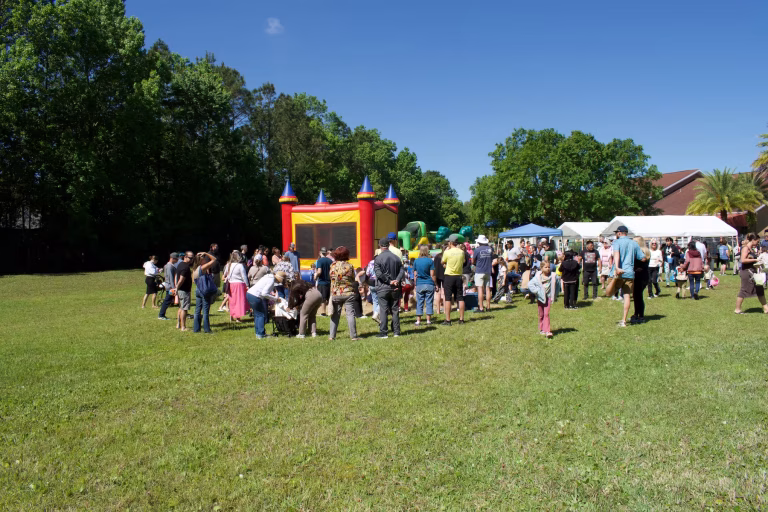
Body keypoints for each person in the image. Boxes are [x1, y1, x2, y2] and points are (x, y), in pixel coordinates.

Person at [608, 226, 646, 328]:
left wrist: (617, 267)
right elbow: (643, 258)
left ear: (620, 233)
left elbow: (616, 254)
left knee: (609, 292)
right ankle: (624, 320)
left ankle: (623, 319)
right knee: (627, 295)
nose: (616, 234)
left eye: (617, 232)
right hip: (629, 273)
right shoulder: (634, 243)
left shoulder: (617, 242)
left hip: (619, 272)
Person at [374, 238, 405, 337]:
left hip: (383, 287)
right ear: (388, 245)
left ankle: (384, 332)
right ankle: (396, 332)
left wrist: (389, 281)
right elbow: (402, 270)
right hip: (395, 287)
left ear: (380, 246)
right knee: (395, 310)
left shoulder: (378, 258)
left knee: (383, 310)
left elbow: (378, 274)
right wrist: (397, 280)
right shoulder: (396, 257)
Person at [328, 246, 360, 341]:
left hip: (335, 293)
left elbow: (331, 278)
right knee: (350, 314)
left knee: (335, 315)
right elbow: (353, 279)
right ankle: (353, 336)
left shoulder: (332, 265)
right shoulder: (349, 266)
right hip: (348, 293)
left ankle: (331, 336)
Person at [246, 270, 286, 338]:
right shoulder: (271, 280)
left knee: (257, 315)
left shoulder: (268, 277)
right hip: (255, 296)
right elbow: (264, 293)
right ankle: (261, 334)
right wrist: (275, 299)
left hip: (249, 294)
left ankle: (258, 333)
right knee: (261, 315)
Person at [735, 234, 768, 314]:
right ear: (753, 240)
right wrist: (755, 260)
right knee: (743, 290)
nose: (758, 243)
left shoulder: (752, 249)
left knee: (760, 289)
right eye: (757, 241)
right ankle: (737, 309)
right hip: (746, 272)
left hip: (753, 272)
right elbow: (743, 260)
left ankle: (766, 309)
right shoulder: (745, 248)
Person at [527, 262, 560, 339]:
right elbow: (530, 284)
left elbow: (558, 285)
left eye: (549, 267)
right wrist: (537, 291)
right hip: (540, 298)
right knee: (541, 314)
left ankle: (547, 331)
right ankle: (541, 329)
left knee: (546, 314)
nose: (548, 268)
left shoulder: (553, 276)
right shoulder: (538, 277)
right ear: (541, 268)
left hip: (548, 297)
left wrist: (555, 294)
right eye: (546, 267)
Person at [441, 234, 466, 325]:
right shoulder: (461, 252)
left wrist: (446, 251)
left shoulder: (447, 252)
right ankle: (461, 319)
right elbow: (463, 262)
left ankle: (448, 320)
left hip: (449, 276)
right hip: (458, 276)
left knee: (447, 298)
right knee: (460, 297)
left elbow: (442, 262)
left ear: (450, 242)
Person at [192, 252, 218, 333]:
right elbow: (214, 259)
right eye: (204, 258)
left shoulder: (194, 269)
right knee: (205, 311)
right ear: (201, 260)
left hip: (198, 290)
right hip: (204, 291)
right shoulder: (202, 267)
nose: (205, 259)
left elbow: (193, 281)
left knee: (197, 310)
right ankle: (207, 329)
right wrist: (206, 253)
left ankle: (196, 329)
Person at [413, 245, 436, 326]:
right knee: (429, 302)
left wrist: (415, 284)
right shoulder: (430, 261)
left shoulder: (416, 261)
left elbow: (415, 274)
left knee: (419, 302)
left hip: (420, 283)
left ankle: (418, 320)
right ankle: (428, 320)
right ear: (427, 251)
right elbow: (432, 274)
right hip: (429, 283)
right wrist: (435, 284)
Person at [631, 237, 651, 324]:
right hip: (642, 276)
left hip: (640, 276)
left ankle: (641, 316)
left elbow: (640, 266)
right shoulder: (645, 251)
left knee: (638, 296)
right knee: (636, 296)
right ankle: (636, 314)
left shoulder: (641, 252)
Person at [172, 251, 194, 331]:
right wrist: (176, 288)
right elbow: (181, 279)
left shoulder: (180, 264)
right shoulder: (185, 267)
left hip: (180, 289)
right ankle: (183, 327)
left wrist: (176, 288)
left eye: (192, 258)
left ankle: (178, 324)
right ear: (185, 257)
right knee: (184, 309)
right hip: (184, 290)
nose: (191, 260)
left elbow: (176, 276)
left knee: (181, 307)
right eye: (190, 258)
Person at [472, 235, 494, 313]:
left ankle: (481, 307)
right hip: (488, 271)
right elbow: (492, 259)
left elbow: (473, 261)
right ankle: (488, 307)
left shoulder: (477, 250)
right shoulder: (490, 249)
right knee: (488, 289)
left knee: (480, 289)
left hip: (480, 271)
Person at [227, 250, 249, 323]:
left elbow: (227, 275)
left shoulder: (228, 265)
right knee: (239, 301)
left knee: (232, 300)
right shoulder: (240, 265)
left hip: (231, 284)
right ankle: (238, 318)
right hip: (239, 284)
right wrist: (247, 285)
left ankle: (231, 315)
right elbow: (244, 276)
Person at [158, 253, 179, 320]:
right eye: (176, 259)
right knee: (167, 300)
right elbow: (170, 278)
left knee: (169, 300)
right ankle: (161, 315)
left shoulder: (168, 265)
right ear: (172, 258)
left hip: (170, 286)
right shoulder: (169, 266)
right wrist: (173, 288)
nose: (177, 260)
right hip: (170, 287)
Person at [315, 248, 332, 315]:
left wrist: (315, 276)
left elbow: (319, 271)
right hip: (329, 282)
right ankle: (329, 311)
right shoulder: (330, 261)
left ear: (320, 252)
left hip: (322, 282)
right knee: (328, 298)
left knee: (322, 299)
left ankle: (323, 312)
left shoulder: (319, 261)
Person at [433, 243, 446, 316]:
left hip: (437, 275)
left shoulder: (437, 256)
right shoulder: (446, 256)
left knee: (438, 293)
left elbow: (434, 266)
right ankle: (444, 310)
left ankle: (438, 310)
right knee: (444, 293)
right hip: (445, 275)